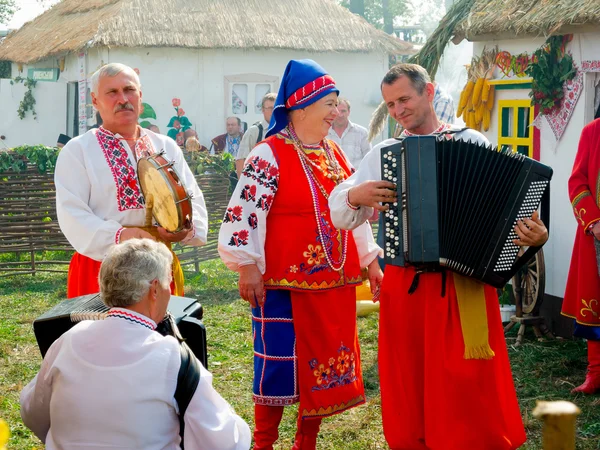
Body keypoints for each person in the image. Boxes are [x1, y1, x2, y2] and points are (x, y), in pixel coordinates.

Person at [329, 63, 549, 450]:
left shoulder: (474, 142)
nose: (397, 111)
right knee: (409, 378)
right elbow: (340, 209)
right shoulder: (384, 153)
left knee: (467, 381)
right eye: (391, 104)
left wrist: (535, 235)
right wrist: (355, 195)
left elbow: (508, 221)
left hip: (465, 286)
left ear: (428, 92)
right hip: (407, 288)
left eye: (404, 99)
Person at [218, 59, 382, 450]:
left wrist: (370, 262)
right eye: (329, 103)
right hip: (282, 284)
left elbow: (353, 213)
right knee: (277, 367)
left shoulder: (334, 153)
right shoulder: (267, 154)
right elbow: (245, 214)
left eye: (338, 104)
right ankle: (264, 443)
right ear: (302, 105)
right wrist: (246, 266)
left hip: (333, 285)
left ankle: (305, 442)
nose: (336, 112)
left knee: (323, 367)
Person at [20, 238, 251, 450]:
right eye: (167, 284)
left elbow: (32, 413)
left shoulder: (67, 340)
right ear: (154, 290)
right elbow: (224, 442)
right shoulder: (171, 355)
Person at [54, 63, 208, 299]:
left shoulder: (164, 145)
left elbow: (192, 197)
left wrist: (184, 230)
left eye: (129, 90)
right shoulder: (78, 151)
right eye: (112, 92)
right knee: (101, 335)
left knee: (159, 335)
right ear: (95, 101)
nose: (123, 99)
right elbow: (71, 213)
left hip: (157, 263)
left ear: (140, 96)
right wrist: (120, 236)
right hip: (102, 267)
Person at [562, 118, 600, 394]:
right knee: (596, 303)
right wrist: (594, 223)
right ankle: (595, 374)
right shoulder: (593, 132)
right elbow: (577, 182)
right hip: (597, 233)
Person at [235, 93, 276, 177]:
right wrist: (243, 187)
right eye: (269, 108)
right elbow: (241, 160)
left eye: (275, 108)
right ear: (262, 110)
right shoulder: (254, 131)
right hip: (258, 183)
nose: (273, 111)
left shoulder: (286, 131)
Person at [327, 97, 371, 168]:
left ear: (349, 112)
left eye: (343, 111)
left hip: (356, 178)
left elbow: (369, 160)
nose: (340, 115)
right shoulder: (324, 134)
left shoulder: (362, 133)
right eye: (338, 111)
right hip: (333, 178)